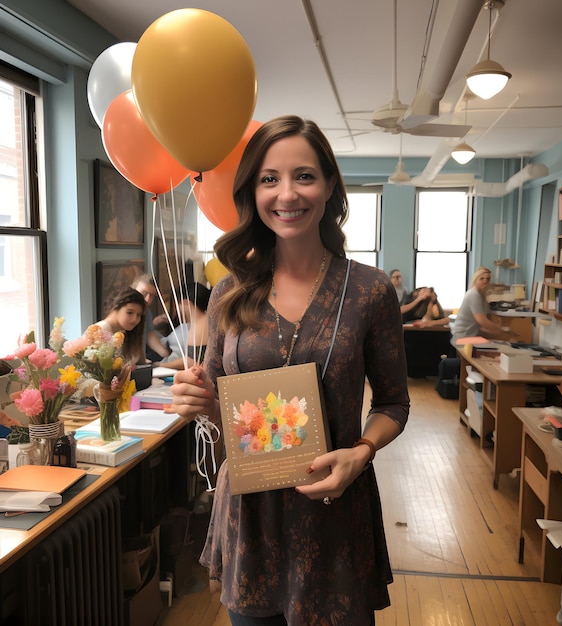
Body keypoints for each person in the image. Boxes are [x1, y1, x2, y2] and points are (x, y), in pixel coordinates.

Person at [167, 115, 410, 625]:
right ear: (252, 191)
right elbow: (218, 404)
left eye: (304, 175)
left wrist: (362, 452)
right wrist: (201, 404)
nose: (286, 194)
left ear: (328, 187)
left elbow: (393, 403)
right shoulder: (229, 293)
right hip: (251, 518)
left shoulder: (368, 292)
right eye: (269, 179)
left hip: (334, 512)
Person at [451, 266, 515, 343]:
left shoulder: (481, 296)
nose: (485, 281)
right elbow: (482, 321)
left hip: (468, 335)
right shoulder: (473, 294)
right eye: (482, 279)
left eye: (487, 279)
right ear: (475, 280)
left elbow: (479, 326)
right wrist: (502, 329)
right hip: (462, 336)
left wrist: (502, 333)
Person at [158, 282, 211, 370]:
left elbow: (193, 362)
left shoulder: (201, 325)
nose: (176, 311)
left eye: (177, 305)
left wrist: (161, 365)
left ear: (185, 302)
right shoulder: (201, 322)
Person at [96, 287, 146, 364]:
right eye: (129, 313)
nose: (134, 319)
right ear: (116, 307)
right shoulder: (101, 330)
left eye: (138, 315)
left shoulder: (126, 332)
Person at [131, 274, 172, 362]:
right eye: (144, 293)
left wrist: (167, 356)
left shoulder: (147, 312)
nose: (147, 300)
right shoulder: (123, 312)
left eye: (152, 296)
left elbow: (150, 335)